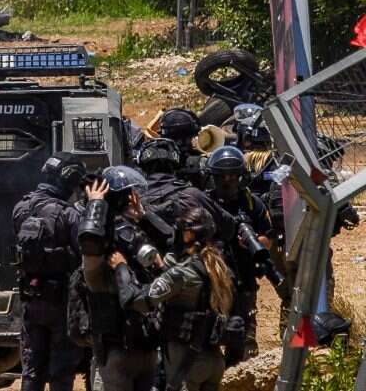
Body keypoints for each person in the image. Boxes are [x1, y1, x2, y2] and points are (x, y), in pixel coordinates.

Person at [111, 207, 234, 391]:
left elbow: (137, 301)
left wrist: (121, 267)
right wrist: (162, 269)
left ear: (190, 234)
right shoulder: (218, 266)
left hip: (187, 365)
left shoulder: (182, 273)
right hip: (214, 361)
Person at [78, 167, 165, 391]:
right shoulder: (100, 264)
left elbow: (171, 239)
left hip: (142, 347)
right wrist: (97, 204)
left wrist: (143, 217)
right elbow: (90, 239)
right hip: (119, 349)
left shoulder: (135, 238)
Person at [13, 152, 85, 391]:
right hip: (62, 303)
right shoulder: (69, 214)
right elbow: (85, 254)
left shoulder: (21, 208)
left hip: (30, 300)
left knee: (31, 370)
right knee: (61, 372)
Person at [205, 145, 271, 361]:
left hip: (243, 278)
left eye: (232, 176)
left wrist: (253, 242)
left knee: (243, 340)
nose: (227, 181)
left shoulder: (252, 203)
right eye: (222, 176)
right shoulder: (205, 203)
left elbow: (268, 237)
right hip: (212, 281)